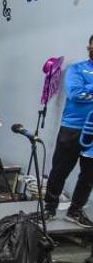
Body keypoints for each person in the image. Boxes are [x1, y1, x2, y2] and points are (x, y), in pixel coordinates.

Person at [44, 34, 93, 227]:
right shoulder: (77, 69)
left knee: (89, 175)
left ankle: (75, 210)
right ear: (89, 46)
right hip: (72, 129)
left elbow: (85, 93)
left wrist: (88, 90)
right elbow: (75, 94)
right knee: (60, 170)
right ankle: (49, 208)